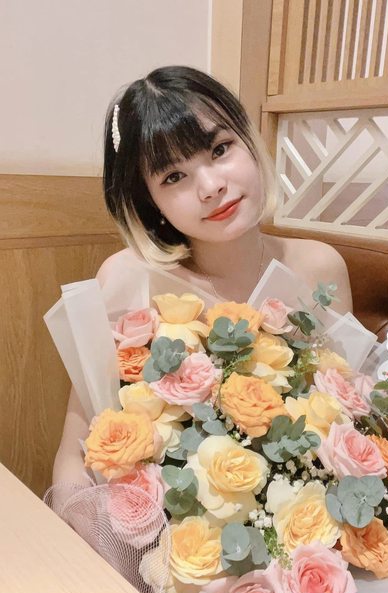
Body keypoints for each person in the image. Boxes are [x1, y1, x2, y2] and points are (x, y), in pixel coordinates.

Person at [53, 64, 352, 486]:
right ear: (150, 201)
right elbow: (74, 453)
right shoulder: (125, 279)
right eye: (174, 176)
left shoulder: (319, 268)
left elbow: (345, 422)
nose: (211, 186)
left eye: (220, 149)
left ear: (249, 139)